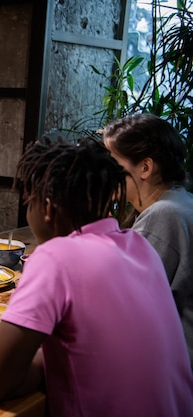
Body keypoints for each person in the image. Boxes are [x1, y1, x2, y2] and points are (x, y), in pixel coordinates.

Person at [0, 138, 193, 416]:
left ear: (45, 207)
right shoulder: (141, 248)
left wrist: (50, 361)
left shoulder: (56, 256)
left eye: (27, 201)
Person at [103, 113, 193, 368]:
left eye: (112, 162)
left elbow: (118, 303)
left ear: (145, 167)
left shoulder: (165, 215)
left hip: (171, 372)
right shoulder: (179, 202)